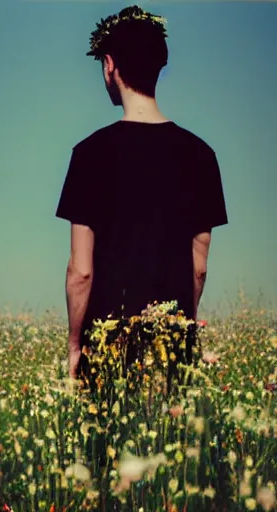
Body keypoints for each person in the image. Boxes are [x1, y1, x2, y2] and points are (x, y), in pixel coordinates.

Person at [55, 6, 228, 380]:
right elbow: (198, 268)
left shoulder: (89, 154)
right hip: (172, 345)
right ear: (158, 68)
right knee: (169, 436)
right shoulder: (201, 155)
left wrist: (74, 346)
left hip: (105, 348)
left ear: (109, 65)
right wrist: (182, 329)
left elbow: (80, 272)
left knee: (106, 438)